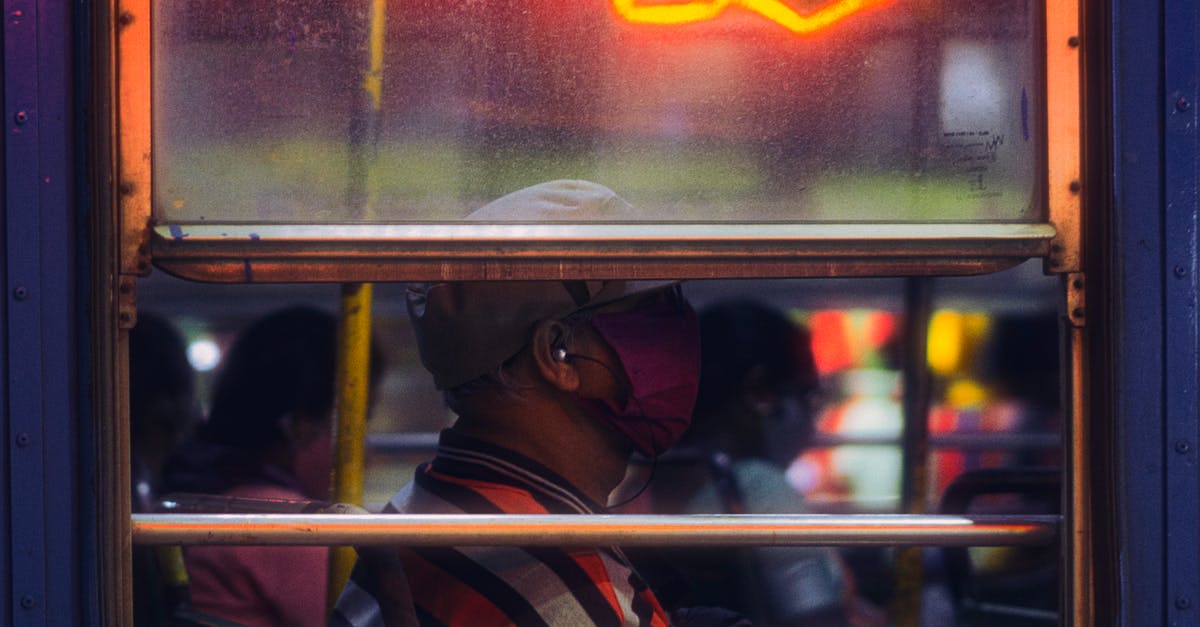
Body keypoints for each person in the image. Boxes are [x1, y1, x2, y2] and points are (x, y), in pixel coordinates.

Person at [330, 180, 746, 627]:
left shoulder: (426, 504)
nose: (679, 330)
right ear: (556, 353)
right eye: (651, 309)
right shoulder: (563, 593)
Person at [651, 300, 883, 627]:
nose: (810, 421)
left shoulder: (649, 480)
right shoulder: (759, 489)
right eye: (806, 396)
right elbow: (817, 620)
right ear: (759, 392)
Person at [163, 306, 375, 627]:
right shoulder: (286, 526)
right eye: (355, 426)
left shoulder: (207, 488)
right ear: (301, 425)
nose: (367, 455)